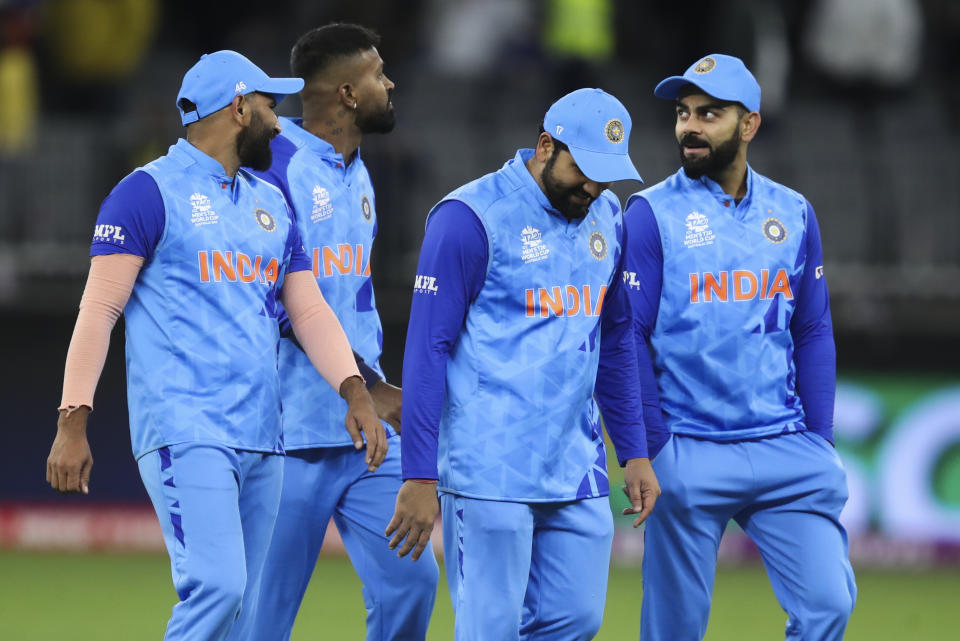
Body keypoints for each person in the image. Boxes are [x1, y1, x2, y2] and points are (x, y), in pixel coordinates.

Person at [45, 50, 387, 641]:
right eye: (268, 107)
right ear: (238, 108)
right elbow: (99, 312)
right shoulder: (146, 193)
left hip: (263, 434)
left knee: (247, 615)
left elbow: (307, 310)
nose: (280, 123)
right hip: (186, 428)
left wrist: (355, 391)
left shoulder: (271, 203)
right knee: (219, 587)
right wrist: (73, 421)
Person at [386, 88, 660, 641]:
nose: (594, 186)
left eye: (607, 175)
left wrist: (634, 450)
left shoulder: (609, 215)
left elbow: (614, 337)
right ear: (544, 145)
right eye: (585, 168)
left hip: (575, 468)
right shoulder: (469, 218)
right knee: (489, 629)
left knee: (576, 621)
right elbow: (425, 351)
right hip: (488, 470)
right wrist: (418, 473)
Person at [621, 54, 857, 641]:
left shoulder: (794, 212)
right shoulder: (650, 214)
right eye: (683, 113)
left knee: (828, 605)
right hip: (690, 448)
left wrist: (818, 438)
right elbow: (627, 336)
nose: (690, 127)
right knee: (673, 632)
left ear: (749, 124)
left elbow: (813, 329)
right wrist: (649, 447)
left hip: (784, 447)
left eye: (710, 114)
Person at [247, 23, 438, 641]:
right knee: (260, 619)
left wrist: (374, 388)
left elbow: (347, 300)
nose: (390, 84)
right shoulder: (274, 165)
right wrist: (364, 385)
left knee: (412, 580)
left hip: (362, 437)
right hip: (282, 435)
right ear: (349, 94)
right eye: (380, 74)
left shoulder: (357, 173)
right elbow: (278, 299)